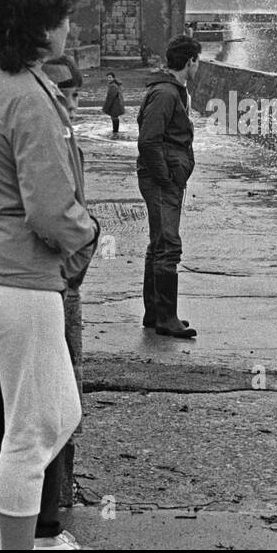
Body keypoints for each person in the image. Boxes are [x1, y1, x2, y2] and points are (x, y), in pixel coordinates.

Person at [0, 0, 97, 551]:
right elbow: (48, 209)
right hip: (19, 277)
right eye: (62, 19)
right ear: (38, 27)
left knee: (54, 414)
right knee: (35, 429)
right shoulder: (30, 99)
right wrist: (86, 235)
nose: (69, 30)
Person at [137, 34, 202, 338]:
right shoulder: (166, 94)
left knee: (158, 245)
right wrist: (166, 178)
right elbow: (149, 140)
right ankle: (166, 318)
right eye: (197, 61)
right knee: (168, 246)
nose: (198, 66)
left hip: (163, 178)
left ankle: (155, 314)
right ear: (190, 61)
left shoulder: (169, 90)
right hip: (161, 181)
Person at [102, 71, 125, 136]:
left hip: (115, 104)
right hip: (116, 104)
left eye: (110, 77)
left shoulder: (113, 86)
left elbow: (110, 97)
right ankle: (115, 131)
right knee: (114, 117)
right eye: (108, 77)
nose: (108, 79)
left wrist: (106, 107)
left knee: (114, 117)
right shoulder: (115, 84)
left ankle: (115, 131)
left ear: (113, 78)